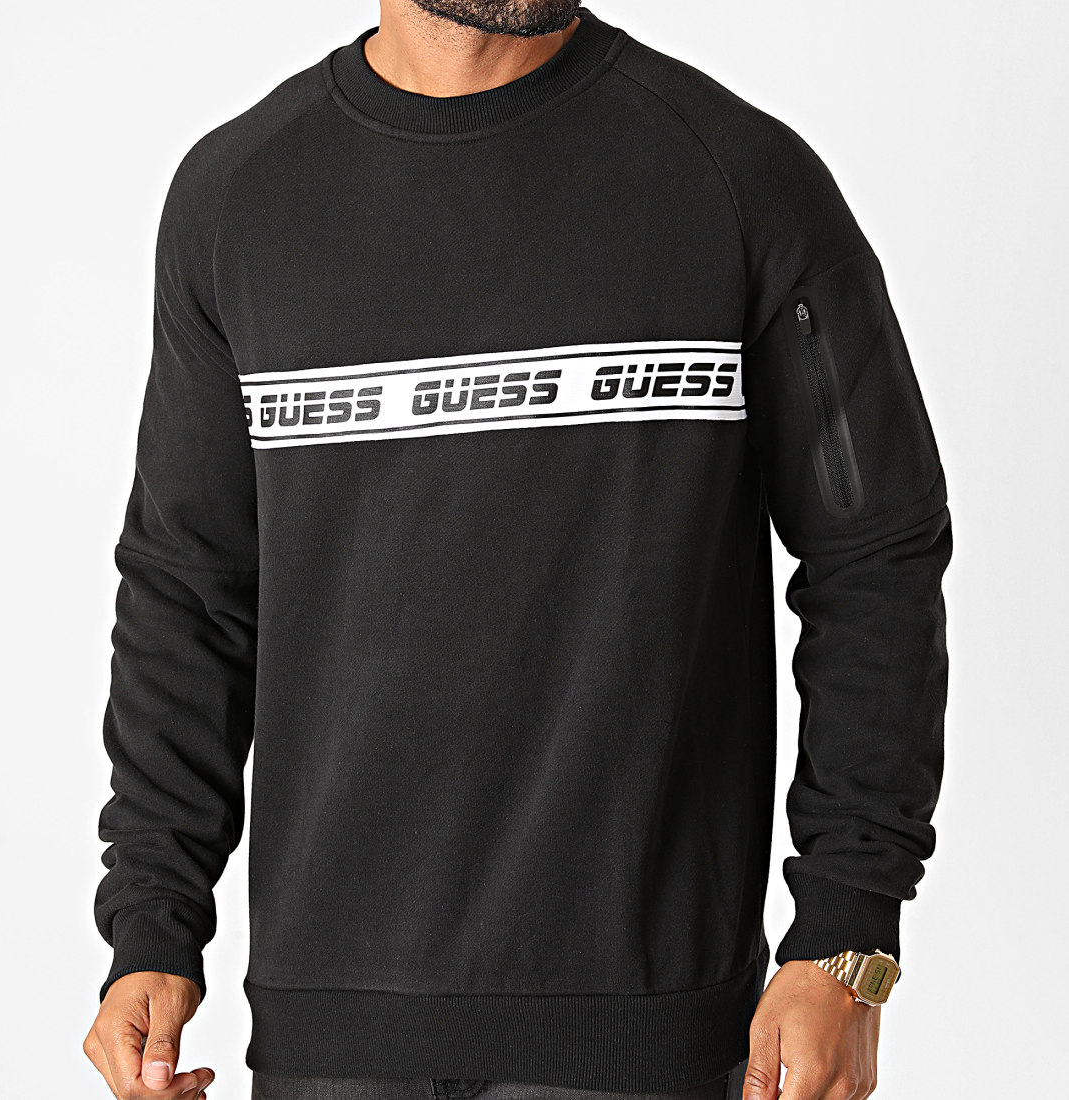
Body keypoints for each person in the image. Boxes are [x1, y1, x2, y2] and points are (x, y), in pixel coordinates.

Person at [83, 3, 952, 1100]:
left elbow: (874, 555)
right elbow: (188, 588)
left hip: (637, 1030)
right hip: (330, 1032)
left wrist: (845, 938)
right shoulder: (238, 198)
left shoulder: (736, 176)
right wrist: (153, 920)